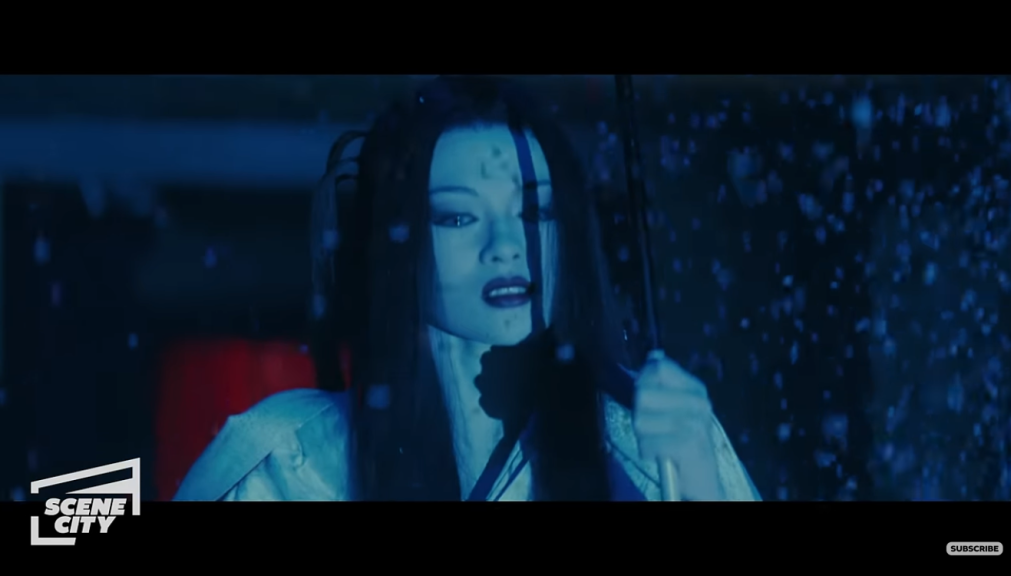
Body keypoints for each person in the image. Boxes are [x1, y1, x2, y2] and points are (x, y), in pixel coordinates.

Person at [174, 76, 761, 501]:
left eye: (535, 211)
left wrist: (698, 480)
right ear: (395, 240)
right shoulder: (293, 459)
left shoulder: (653, 442)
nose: (506, 245)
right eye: (458, 216)